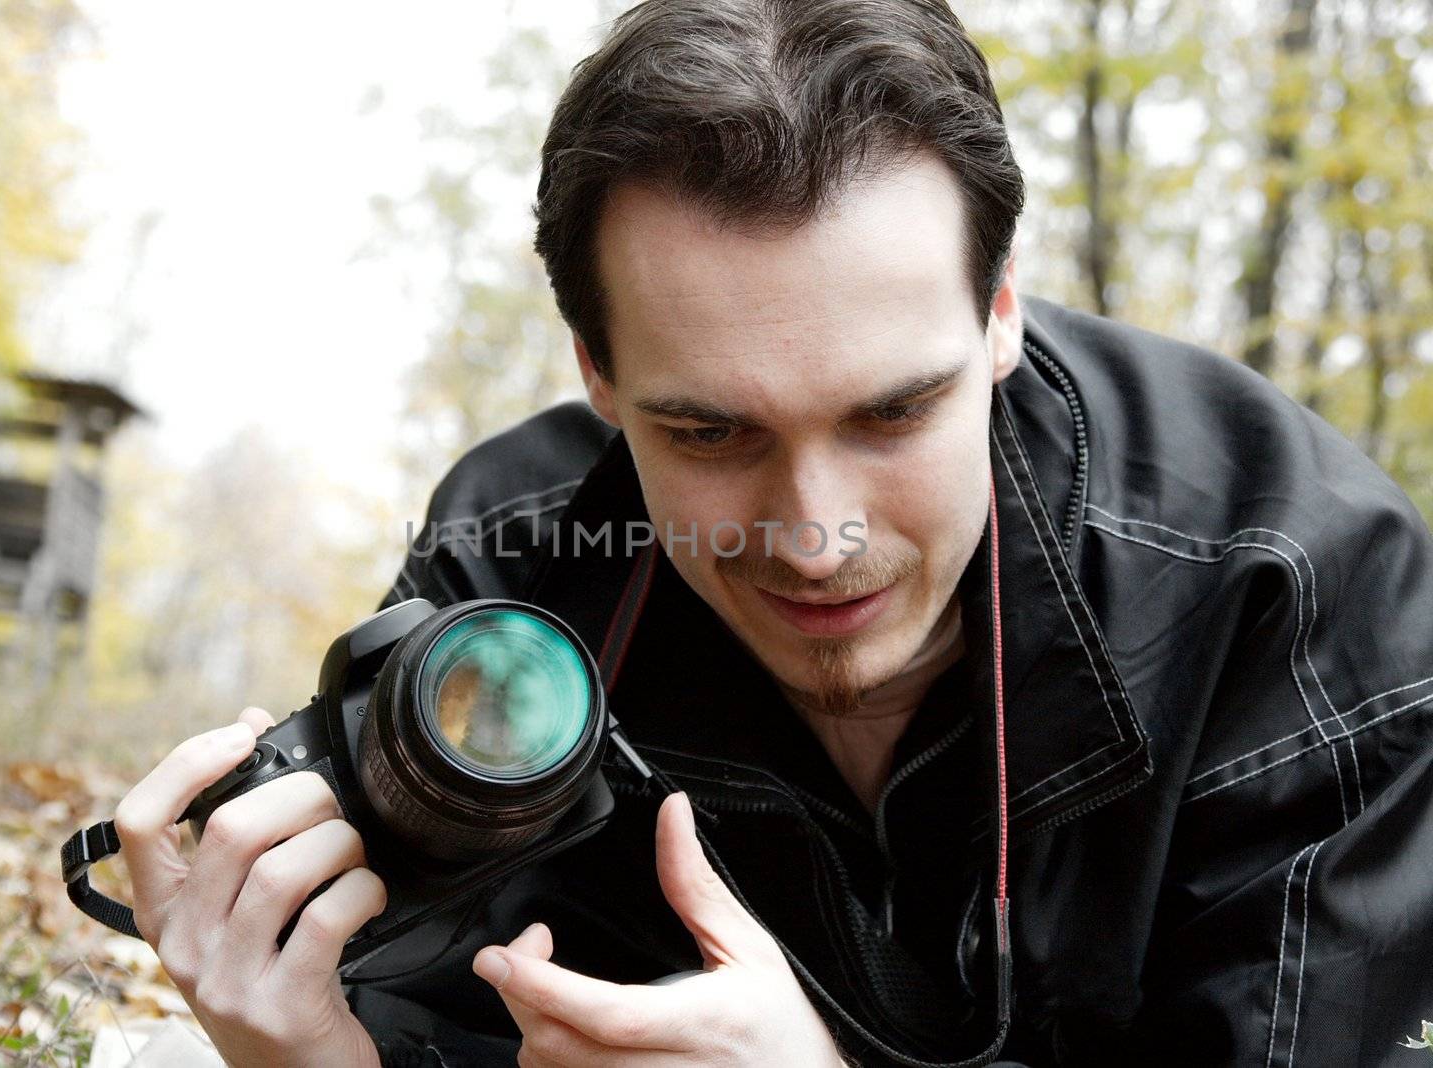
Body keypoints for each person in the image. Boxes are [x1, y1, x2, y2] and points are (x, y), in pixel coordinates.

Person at [109, 1, 1433, 1065]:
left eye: (895, 411)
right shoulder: (507, 591)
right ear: (599, 374)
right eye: (709, 435)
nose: (814, 537)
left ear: (1001, 315)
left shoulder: (1301, 594)